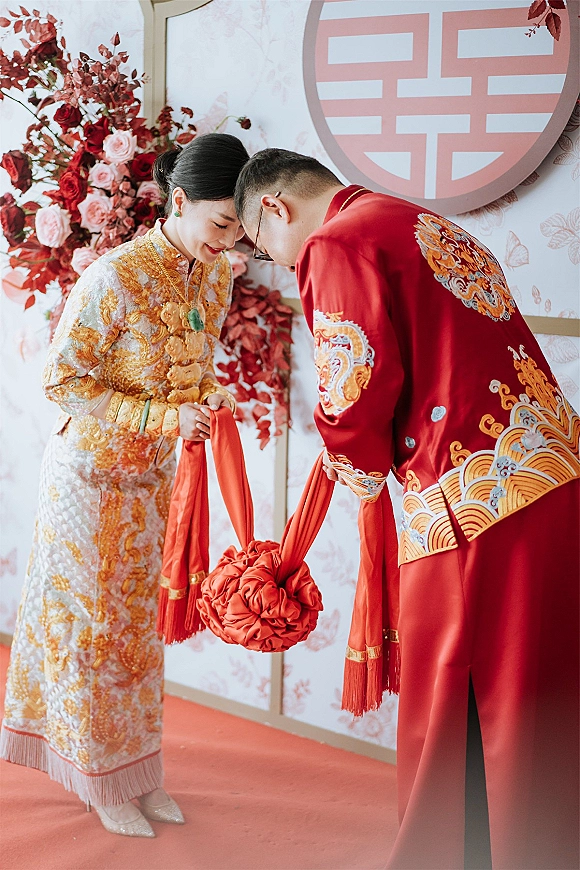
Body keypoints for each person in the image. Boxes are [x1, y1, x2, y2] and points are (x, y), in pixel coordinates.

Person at [233, 149, 580, 870]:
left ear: (274, 209)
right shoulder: (417, 219)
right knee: (541, 686)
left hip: (473, 497)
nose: (283, 262)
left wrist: (350, 464)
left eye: (270, 250)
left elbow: (353, 384)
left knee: (466, 695)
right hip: (549, 475)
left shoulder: (335, 240)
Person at [0, 133, 249, 838]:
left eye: (240, 228)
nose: (229, 241)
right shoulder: (114, 275)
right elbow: (62, 381)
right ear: (179, 201)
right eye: (221, 223)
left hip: (155, 478)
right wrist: (162, 414)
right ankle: (97, 780)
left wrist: (210, 397)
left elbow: (190, 360)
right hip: (89, 479)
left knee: (139, 630)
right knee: (93, 632)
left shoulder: (217, 273)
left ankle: (140, 774)